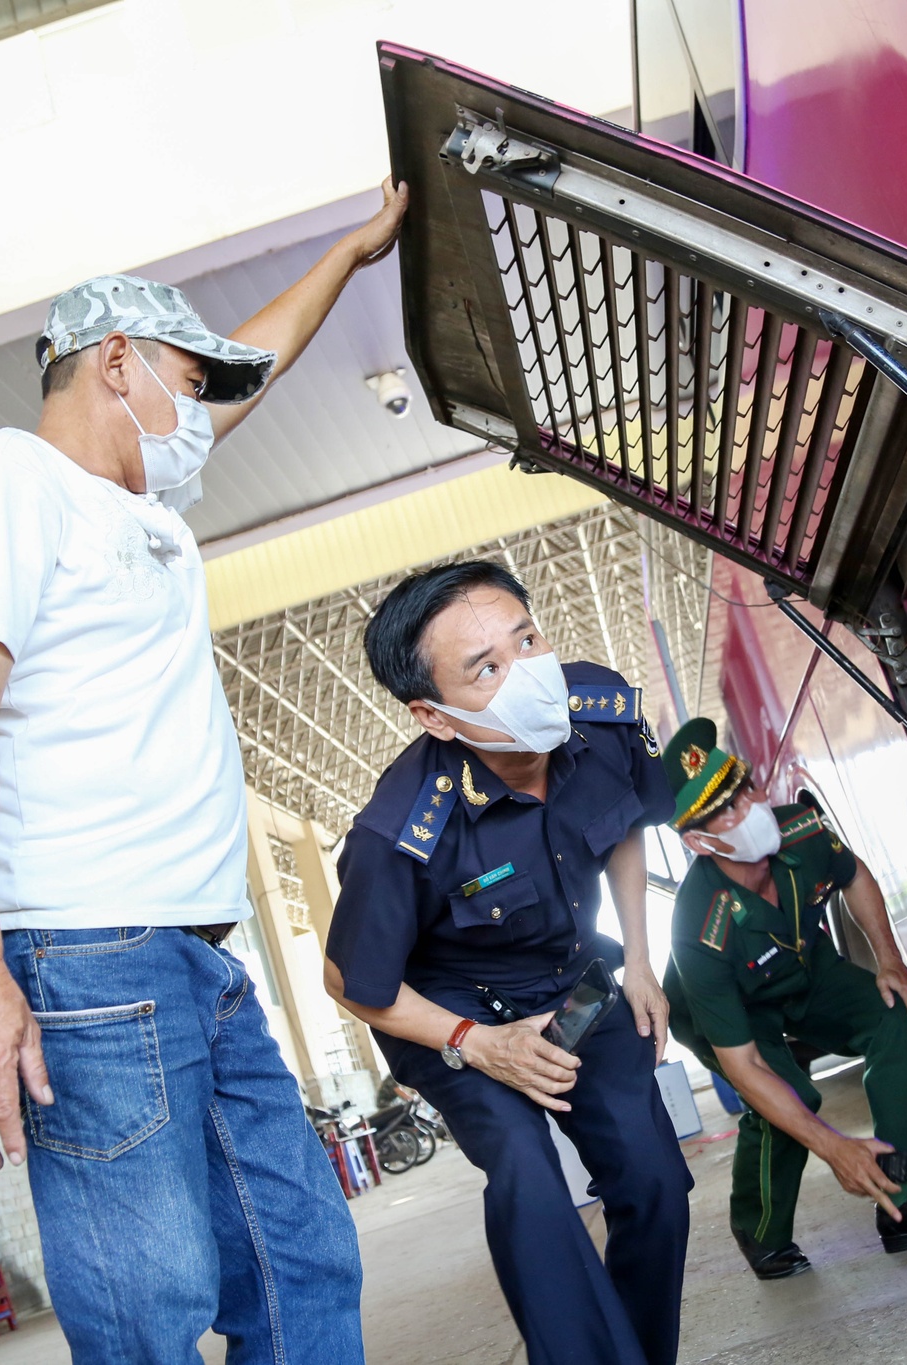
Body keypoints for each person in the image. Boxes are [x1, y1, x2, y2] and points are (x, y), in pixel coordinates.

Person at [0, 181, 406, 1363]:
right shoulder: (6, 481)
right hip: (85, 956)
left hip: (197, 957)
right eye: (185, 384)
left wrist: (349, 251)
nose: (197, 416)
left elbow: (258, 366)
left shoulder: (136, 504)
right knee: (149, 1309)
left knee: (304, 1262)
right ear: (114, 360)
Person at [323, 561, 692, 1365]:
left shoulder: (597, 714)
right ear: (435, 714)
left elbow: (625, 817)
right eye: (485, 668)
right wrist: (476, 1042)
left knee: (654, 1179)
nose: (528, 672)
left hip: (574, 979)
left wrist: (638, 959)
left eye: (527, 639)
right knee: (528, 1176)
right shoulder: (400, 832)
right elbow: (351, 979)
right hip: (454, 1010)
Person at [658, 717, 907, 1280]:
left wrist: (889, 961)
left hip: (803, 967)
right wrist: (835, 1148)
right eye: (723, 810)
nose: (747, 808)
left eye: (743, 788)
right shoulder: (701, 928)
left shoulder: (800, 829)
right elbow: (744, 1068)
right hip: (729, 1012)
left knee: (896, 1013)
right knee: (787, 1100)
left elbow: (855, 875)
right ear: (699, 841)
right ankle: (762, 1234)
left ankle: (906, 1203)